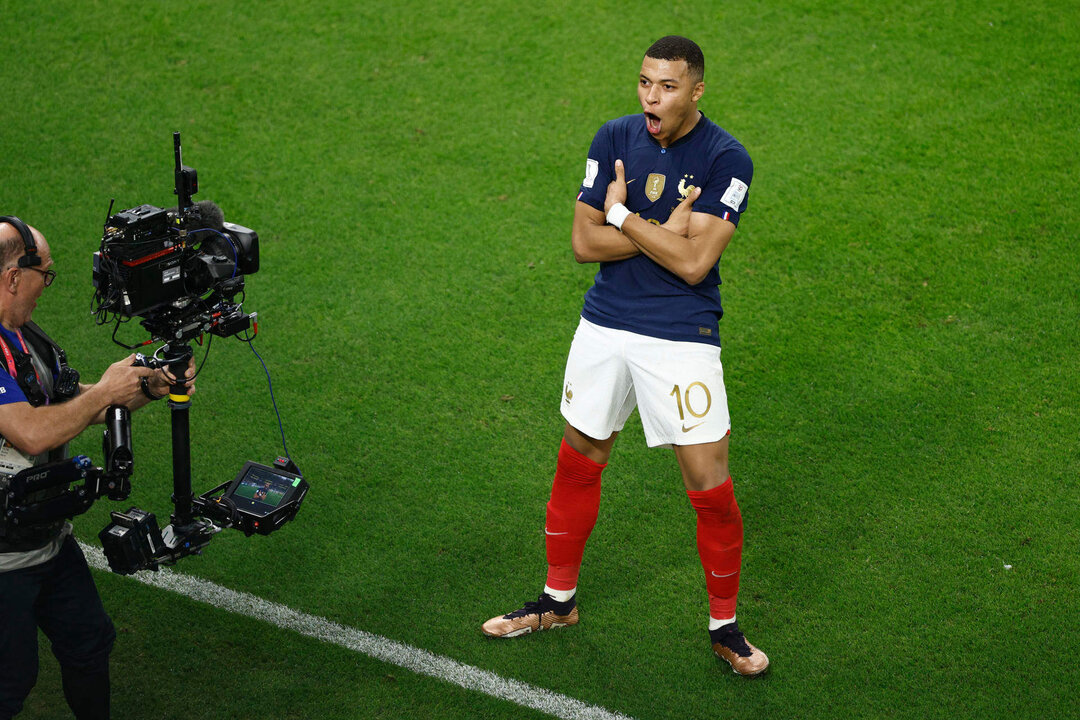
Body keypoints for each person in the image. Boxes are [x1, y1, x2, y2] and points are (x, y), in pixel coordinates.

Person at [481, 36, 768, 676]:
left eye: (666, 87)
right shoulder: (612, 137)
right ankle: (558, 602)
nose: (651, 99)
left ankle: (726, 626)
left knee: (708, 481)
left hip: (681, 333)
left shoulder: (728, 158)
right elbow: (585, 244)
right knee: (580, 455)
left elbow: (696, 264)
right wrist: (665, 225)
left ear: (696, 91)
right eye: (644, 83)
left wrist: (623, 212)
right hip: (606, 324)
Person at [0, 217, 193, 719]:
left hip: (46, 539)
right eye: (46, 273)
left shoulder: (21, 334)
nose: (47, 286)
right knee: (9, 683)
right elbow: (32, 431)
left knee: (88, 645)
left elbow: (67, 405)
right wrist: (106, 393)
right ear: (13, 276)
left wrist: (144, 387)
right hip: (1, 562)